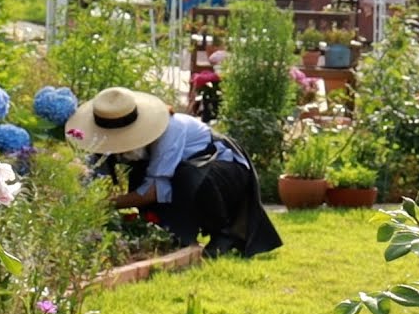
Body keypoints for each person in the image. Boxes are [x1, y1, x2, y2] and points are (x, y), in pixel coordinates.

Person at [65, 87, 282, 257]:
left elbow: (154, 191)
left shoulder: (170, 130)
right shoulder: (104, 138)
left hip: (225, 171)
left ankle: (225, 233)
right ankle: (167, 231)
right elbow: (96, 175)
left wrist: (105, 204)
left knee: (187, 175)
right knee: (144, 174)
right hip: (185, 172)